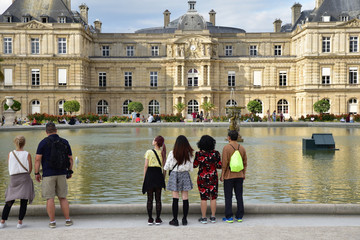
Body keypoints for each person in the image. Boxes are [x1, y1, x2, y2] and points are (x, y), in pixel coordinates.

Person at [34, 122, 74, 228]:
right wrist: (69, 171)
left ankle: (52, 222)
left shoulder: (43, 142)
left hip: (48, 174)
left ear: (46, 132)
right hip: (61, 173)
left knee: (50, 198)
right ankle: (68, 220)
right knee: (63, 197)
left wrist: (36, 173)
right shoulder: (65, 142)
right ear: (56, 130)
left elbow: (38, 159)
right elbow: (70, 159)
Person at [0, 136, 35, 229]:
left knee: (9, 200)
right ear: (24, 143)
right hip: (24, 178)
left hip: (13, 178)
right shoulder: (27, 154)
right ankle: (20, 223)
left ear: (15, 143)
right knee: (24, 200)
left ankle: (2, 221)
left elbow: (10, 166)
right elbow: (30, 169)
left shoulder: (10, 154)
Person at [164, 135, 194, 226]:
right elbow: (191, 168)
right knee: (185, 198)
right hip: (185, 174)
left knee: (175, 198)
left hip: (175, 174)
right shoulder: (189, 154)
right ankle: (184, 219)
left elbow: (167, 166)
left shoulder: (172, 153)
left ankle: (175, 220)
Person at [193, 135, 221, 224]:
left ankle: (204, 217)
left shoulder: (198, 154)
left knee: (203, 198)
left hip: (202, 177)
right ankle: (213, 217)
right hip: (213, 177)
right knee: (213, 197)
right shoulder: (216, 153)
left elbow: (195, 165)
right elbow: (219, 166)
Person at [220, 130, 247, 223]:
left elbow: (224, 163)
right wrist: (244, 173)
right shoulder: (242, 148)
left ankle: (229, 216)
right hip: (239, 175)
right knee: (239, 196)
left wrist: (222, 175)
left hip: (229, 176)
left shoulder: (226, 148)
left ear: (229, 138)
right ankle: (239, 216)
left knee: (228, 197)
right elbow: (245, 163)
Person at [142, 136, 166, 225]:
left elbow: (145, 166)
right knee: (158, 199)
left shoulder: (149, 152)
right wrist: (163, 177)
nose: (152, 141)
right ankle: (158, 218)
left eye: (153, 139)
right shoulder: (162, 152)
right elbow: (164, 167)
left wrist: (144, 178)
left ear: (156, 142)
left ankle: (150, 219)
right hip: (158, 174)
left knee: (150, 199)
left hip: (150, 175)